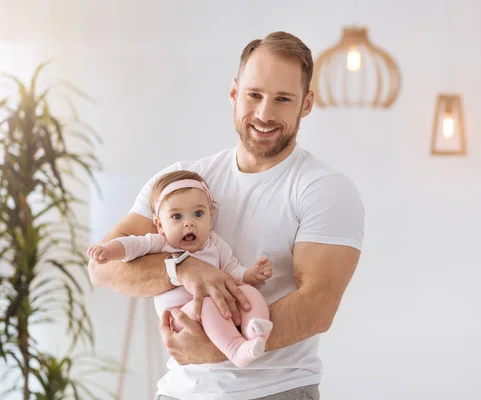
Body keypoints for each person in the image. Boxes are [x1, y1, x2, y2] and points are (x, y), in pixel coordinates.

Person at [88, 30, 365, 400]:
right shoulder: (180, 183)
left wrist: (220, 350)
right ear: (234, 93)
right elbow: (102, 267)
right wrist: (182, 267)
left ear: (307, 104)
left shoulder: (325, 189)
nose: (265, 114)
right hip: (178, 391)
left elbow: (317, 306)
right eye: (254, 95)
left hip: (275, 391)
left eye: (283, 99)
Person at [86, 170, 274, 368]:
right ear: (159, 224)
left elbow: (232, 269)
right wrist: (108, 250)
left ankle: (255, 331)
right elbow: (131, 245)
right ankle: (235, 349)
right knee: (207, 304)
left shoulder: (215, 244)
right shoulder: (162, 243)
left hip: (216, 306)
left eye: (198, 214)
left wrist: (251, 274)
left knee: (248, 292)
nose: (189, 222)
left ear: (211, 218)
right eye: (176, 216)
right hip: (181, 316)